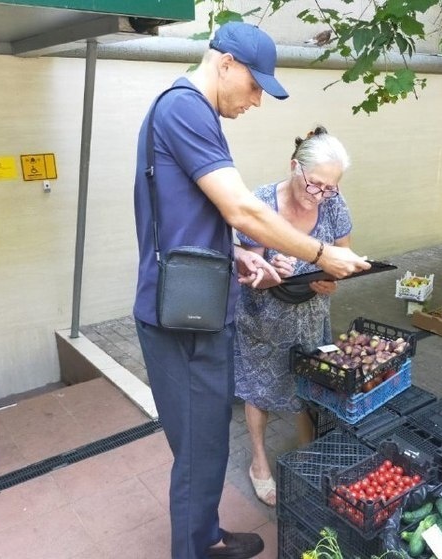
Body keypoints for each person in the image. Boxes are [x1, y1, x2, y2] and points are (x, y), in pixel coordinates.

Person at [132, 22, 369, 559]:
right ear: (226, 65)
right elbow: (240, 207)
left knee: (210, 438)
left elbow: (187, 216)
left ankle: (208, 536)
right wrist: (319, 253)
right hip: (182, 320)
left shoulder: (188, 111)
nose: (258, 99)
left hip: (196, 305)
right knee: (197, 450)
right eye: (256, 85)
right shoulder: (185, 108)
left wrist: (234, 253)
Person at [234, 126, 351, 507]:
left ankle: (310, 453)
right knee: (259, 389)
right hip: (263, 318)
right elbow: (247, 277)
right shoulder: (261, 203)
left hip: (311, 317)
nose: (319, 195)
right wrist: (270, 271)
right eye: (315, 184)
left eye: (328, 188)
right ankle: (259, 463)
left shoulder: (335, 204)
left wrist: (333, 282)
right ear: (293, 166)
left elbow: (343, 261)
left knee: (309, 385)